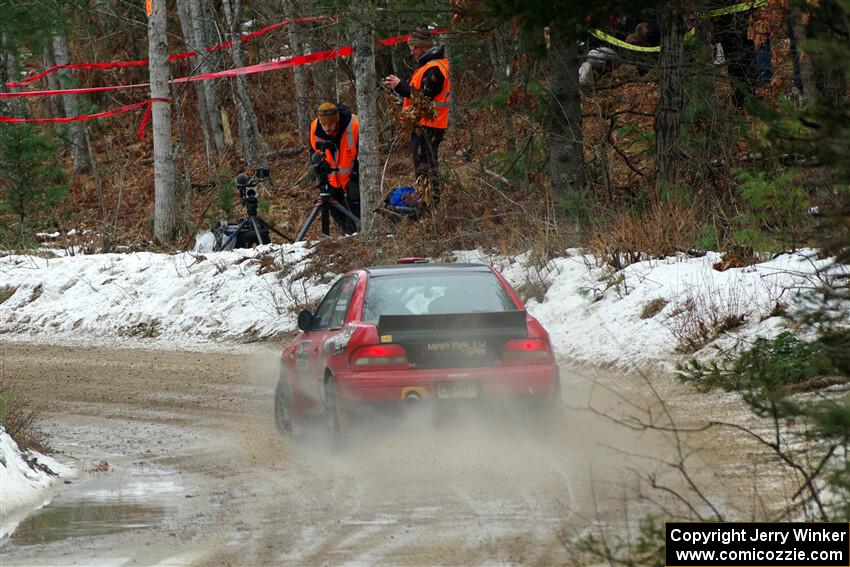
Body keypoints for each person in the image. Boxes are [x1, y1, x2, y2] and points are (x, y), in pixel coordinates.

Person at [382, 28, 451, 206]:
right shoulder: (428, 66)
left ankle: (430, 205)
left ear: (422, 47)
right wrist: (398, 87)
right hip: (425, 124)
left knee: (425, 167)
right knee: (423, 166)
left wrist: (400, 86)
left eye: (414, 47)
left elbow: (423, 98)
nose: (411, 51)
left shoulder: (435, 68)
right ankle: (427, 202)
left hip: (430, 125)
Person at [309, 101, 360, 234]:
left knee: (356, 211)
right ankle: (347, 235)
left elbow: (364, 153)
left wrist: (355, 176)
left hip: (352, 178)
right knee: (336, 212)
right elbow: (313, 152)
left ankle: (359, 233)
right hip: (330, 180)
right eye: (324, 124)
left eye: (330, 124)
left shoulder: (354, 125)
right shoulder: (315, 128)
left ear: (337, 121)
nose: (326, 128)